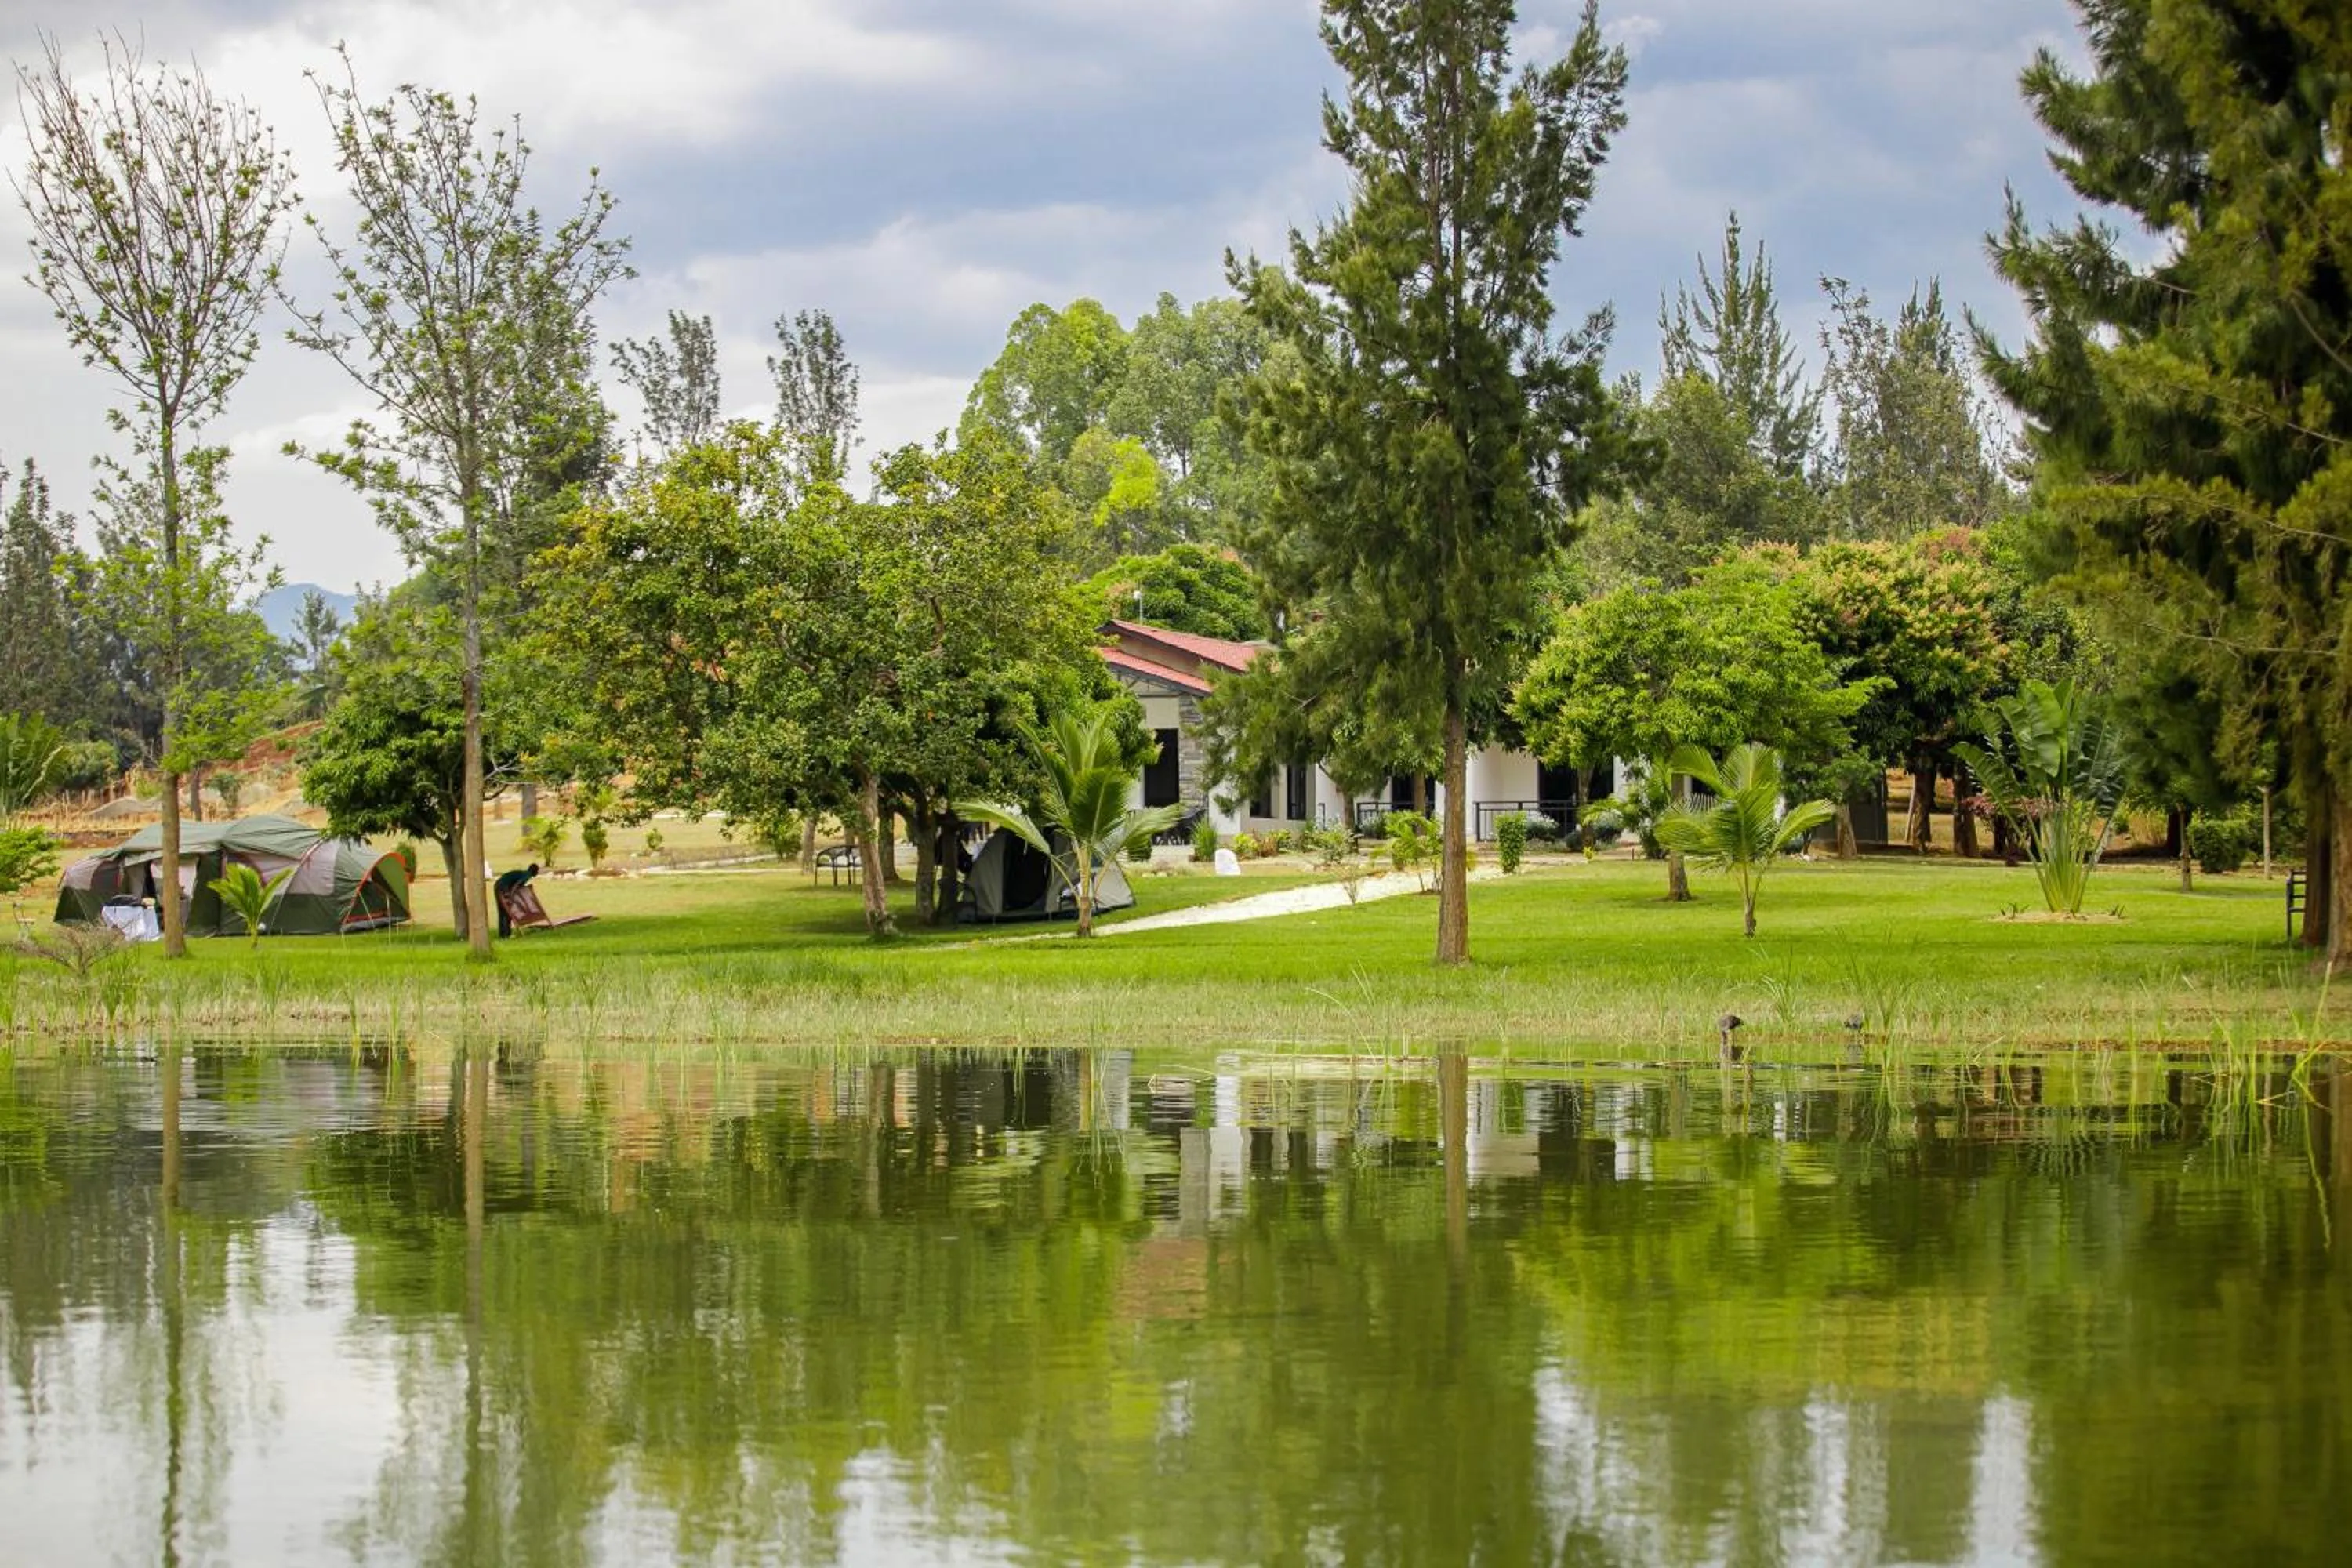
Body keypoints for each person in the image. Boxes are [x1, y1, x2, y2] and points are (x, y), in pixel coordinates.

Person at [494, 862, 539, 938]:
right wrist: (511, 896)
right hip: (502, 887)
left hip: (499, 885)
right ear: (535, 871)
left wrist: (526, 887)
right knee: (507, 912)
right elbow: (516, 886)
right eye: (537, 871)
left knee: (503, 912)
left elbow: (517, 884)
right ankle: (506, 934)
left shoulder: (524, 873)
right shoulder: (527, 875)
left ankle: (503, 934)